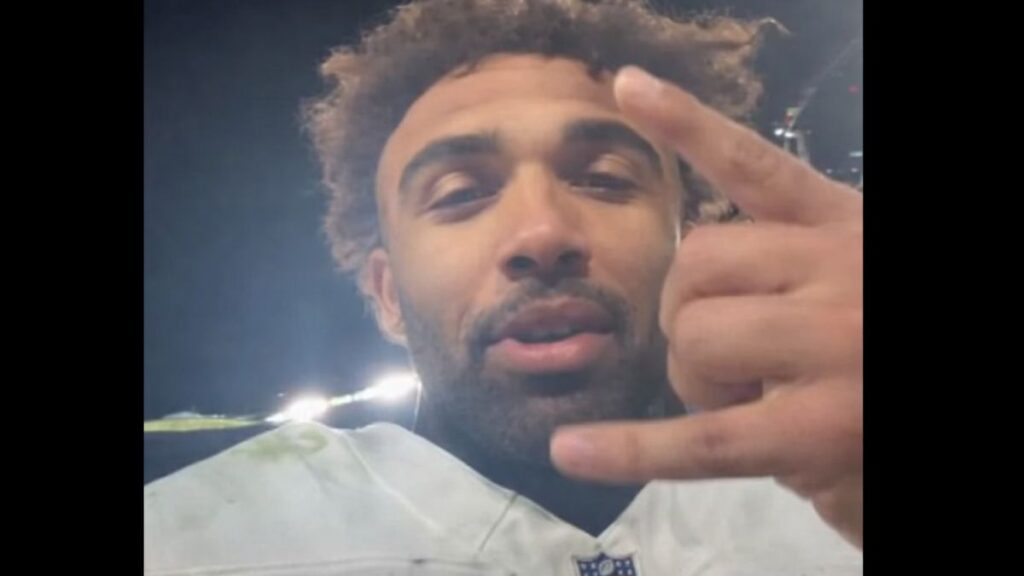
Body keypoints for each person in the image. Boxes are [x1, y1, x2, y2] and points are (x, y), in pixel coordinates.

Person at [144, 1, 863, 574]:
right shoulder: (189, 539)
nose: (542, 232)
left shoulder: (834, 483)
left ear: (693, 240)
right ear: (387, 295)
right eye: (460, 194)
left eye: (604, 179)